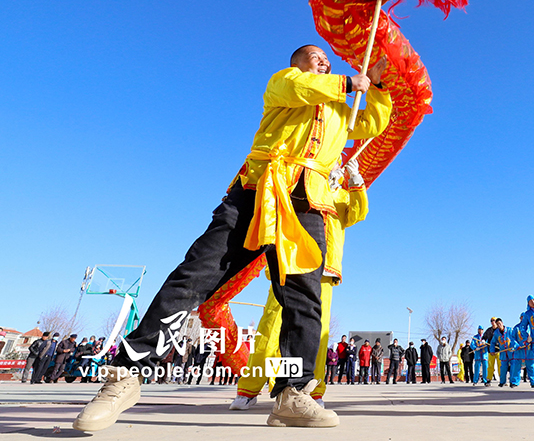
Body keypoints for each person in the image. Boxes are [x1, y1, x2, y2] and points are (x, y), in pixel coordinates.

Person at [72, 46, 391, 431]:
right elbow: (303, 88)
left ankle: (294, 393)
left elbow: (371, 123)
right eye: (313, 56)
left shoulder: (341, 110)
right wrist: (346, 81)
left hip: (310, 204)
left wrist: (376, 85)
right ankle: (126, 374)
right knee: (195, 275)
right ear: (297, 64)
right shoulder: (284, 83)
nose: (323, 60)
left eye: (327, 59)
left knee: (304, 303)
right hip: (258, 192)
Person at [231, 159, 369, 410]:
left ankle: (308, 389)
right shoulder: (300, 181)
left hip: (325, 272)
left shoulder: (342, 196)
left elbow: (357, 214)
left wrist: (357, 182)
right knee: (270, 329)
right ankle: (249, 388)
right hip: (291, 263)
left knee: (313, 334)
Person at [491, 319, 514, 387]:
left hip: (510, 351)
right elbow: (492, 342)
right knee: (503, 368)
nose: (499, 325)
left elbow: (514, 338)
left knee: (513, 367)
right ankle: (502, 381)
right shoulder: (496, 333)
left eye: (500, 323)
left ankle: (513, 382)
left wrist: (514, 346)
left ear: (502, 323)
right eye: (497, 324)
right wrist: (492, 350)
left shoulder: (509, 330)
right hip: (503, 352)